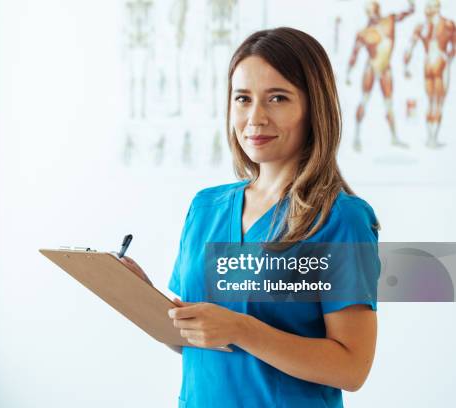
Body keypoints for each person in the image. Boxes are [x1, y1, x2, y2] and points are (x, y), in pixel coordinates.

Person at [120, 27, 381, 408]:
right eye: (243, 98)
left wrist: (242, 329)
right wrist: (140, 298)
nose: (255, 118)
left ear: (313, 108)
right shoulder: (205, 208)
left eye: (277, 98)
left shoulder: (340, 218)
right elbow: (196, 341)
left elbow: (352, 367)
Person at [346, 0, 414, 151]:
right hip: (371, 68)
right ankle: (356, 137)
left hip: (385, 69)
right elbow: (354, 54)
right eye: (369, 11)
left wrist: (412, 5)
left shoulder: (390, 20)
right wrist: (348, 73)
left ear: (378, 9)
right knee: (364, 101)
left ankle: (394, 137)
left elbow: (407, 13)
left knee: (389, 104)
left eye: (373, 10)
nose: (371, 14)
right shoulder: (363, 32)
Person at [404, 0, 455, 148]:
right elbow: (453, 47)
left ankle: (431, 138)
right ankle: (432, 138)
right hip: (440, 61)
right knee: (438, 102)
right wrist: (448, 59)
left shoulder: (422, 26)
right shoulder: (447, 24)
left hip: (429, 63)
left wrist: (406, 65)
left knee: (432, 102)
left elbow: (409, 48)